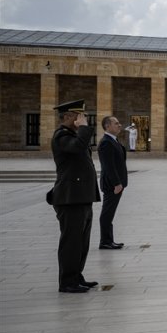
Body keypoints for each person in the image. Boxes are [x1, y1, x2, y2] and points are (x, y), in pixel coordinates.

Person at [47, 99, 101, 293]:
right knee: (71, 242)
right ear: (68, 116)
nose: (83, 119)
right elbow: (77, 147)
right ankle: (67, 281)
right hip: (70, 198)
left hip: (81, 197)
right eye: (80, 116)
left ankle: (77, 276)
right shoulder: (61, 136)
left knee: (81, 242)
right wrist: (84, 128)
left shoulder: (73, 136)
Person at [97, 115, 128, 249]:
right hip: (112, 184)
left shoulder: (113, 140)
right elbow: (108, 166)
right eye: (116, 123)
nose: (119, 125)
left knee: (110, 213)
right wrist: (117, 183)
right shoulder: (106, 142)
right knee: (107, 212)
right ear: (107, 126)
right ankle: (105, 241)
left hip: (116, 183)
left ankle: (108, 240)